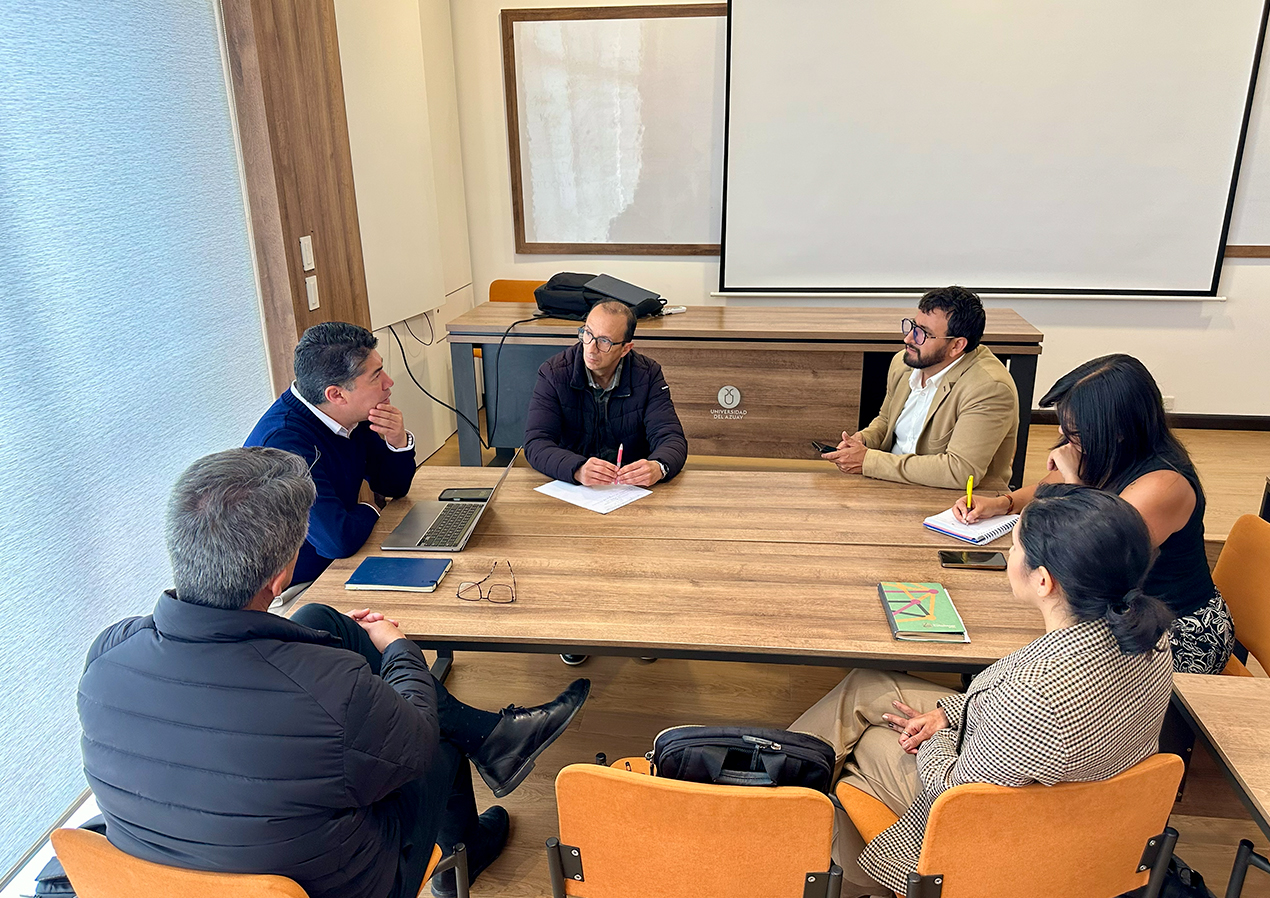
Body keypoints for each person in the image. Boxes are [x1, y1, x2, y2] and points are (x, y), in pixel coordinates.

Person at [77, 447, 591, 898]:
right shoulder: (332, 692)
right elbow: (415, 737)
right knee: (438, 736)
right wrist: (398, 648)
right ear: (281, 575)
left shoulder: (107, 652)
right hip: (343, 884)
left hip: (154, 879)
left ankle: (497, 739)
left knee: (318, 617)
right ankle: (468, 836)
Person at [791, 484, 1175, 896]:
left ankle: (787, 827)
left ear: (1043, 581)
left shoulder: (1037, 694)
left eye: (1015, 547)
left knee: (865, 746)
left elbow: (956, 791)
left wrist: (938, 736)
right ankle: (774, 781)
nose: (1009, 555)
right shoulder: (1148, 637)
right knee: (868, 685)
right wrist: (948, 713)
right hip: (1087, 803)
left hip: (1009, 827)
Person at [953, 354, 1234, 675]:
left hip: (1174, 629)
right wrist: (1003, 503)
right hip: (1110, 608)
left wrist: (1074, 479)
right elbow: (1046, 488)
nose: (1064, 435)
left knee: (1016, 645)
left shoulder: (1163, 486)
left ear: (1117, 430)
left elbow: (1089, 552)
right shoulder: (1105, 448)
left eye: (1074, 430)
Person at [245, 322, 415, 589]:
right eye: (376, 376)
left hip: (339, 563)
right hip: (295, 587)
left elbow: (393, 486)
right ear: (336, 394)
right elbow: (337, 540)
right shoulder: (284, 443)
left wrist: (397, 441)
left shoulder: (349, 415)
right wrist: (371, 508)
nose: (388, 382)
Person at [824, 286, 1019, 490]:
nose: (908, 339)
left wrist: (868, 461)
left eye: (923, 334)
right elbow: (886, 420)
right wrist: (863, 440)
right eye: (912, 326)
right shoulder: (904, 363)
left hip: (953, 498)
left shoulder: (989, 388)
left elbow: (959, 471)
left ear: (956, 346)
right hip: (892, 482)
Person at [524, 301, 687, 488]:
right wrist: (577, 469)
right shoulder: (554, 373)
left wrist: (658, 467)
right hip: (575, 487)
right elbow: (536, 442)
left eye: (604, 341)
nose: (591, 348)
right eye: (588, 333)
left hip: (630, 488)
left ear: (625, 349)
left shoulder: (648, 375)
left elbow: (671, 438)